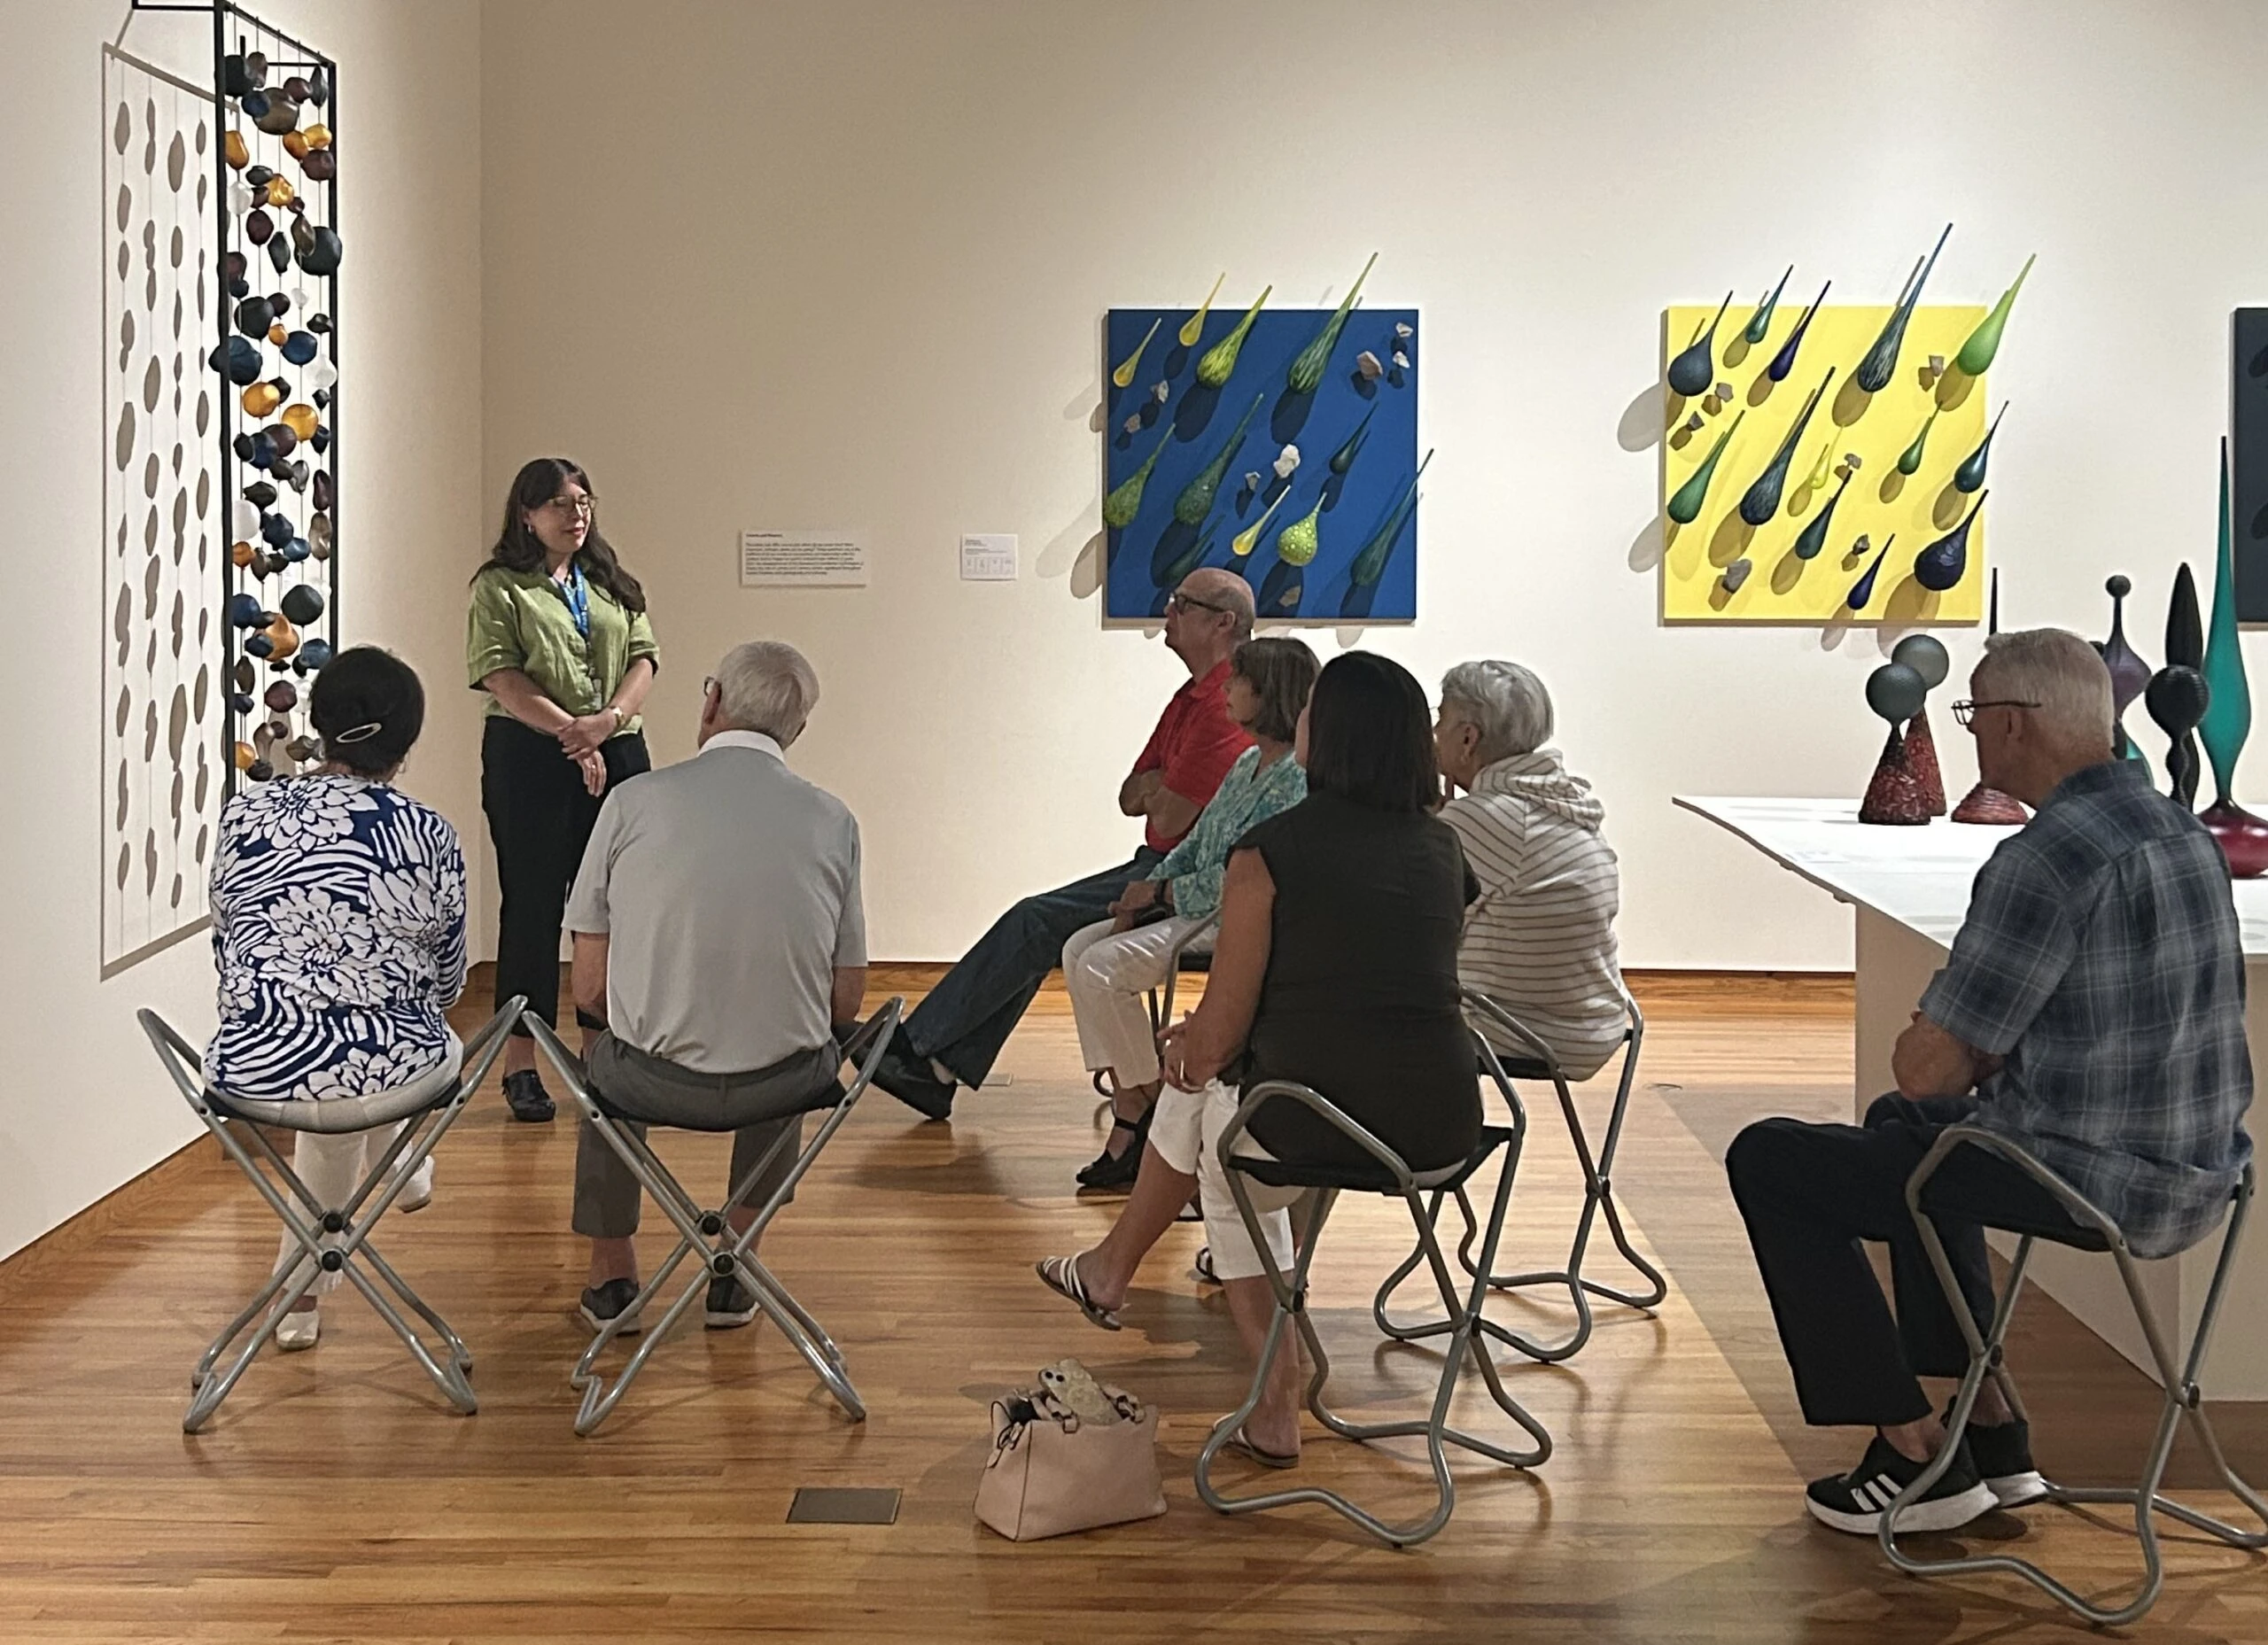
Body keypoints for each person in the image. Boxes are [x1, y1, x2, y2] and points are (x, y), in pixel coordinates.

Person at [1726, 628, 2253, 1536]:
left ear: (2012, 725)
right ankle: (1992, 1427)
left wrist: (1954, 1041)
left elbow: (1927, 1065)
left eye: (1972, 715)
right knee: (1908, 1131)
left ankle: (1912, 1450)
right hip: (2204, 1175)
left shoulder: (2046, 857)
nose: (1968, 734)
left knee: (1771, 1158)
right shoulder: (2181, 830)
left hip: (2090, 1179)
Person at [1038, 653, 1481, 1465]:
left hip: (1321, 1118)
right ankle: (1107, 1270)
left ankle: (1274, 1396)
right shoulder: (1444, 852)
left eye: (1314, 708)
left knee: (1218, 1139)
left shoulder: (1271, 853)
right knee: (1206, 1105)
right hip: (1444, 1121)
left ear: (1333, 733)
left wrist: (1184, 1048)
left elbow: (1219, 1037)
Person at [871, 567, 1257, 1119]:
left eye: (1182, 604)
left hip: (1177, 878)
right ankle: (934, 1065)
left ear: (1223, 621)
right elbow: (1130, 795)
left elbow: (1171, 816)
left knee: (1038, 921)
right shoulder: (1190, 699)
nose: (1166, 614)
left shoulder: (1225, 706)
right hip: (1157, 863)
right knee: (1042, 923)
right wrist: (1162, 787)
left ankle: (921, 1053)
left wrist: (1161, 789)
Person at [562, 640, 866, 1334]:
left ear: (712, 703)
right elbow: (844, 1001)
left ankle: (611, 1273)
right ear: (796, 730)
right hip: (779, 1086)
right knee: (795, 1039)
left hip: (648, 1080)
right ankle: (737, 1262)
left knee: (600, 1062)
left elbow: (588, 986)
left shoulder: (633, 802)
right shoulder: (833, 820)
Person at [204, 648, 468, 1351]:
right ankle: (315, 1270)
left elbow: (227, 938)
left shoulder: (244, 813)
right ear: (407, 742)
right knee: (365, 1055)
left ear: (317, 720)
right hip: (388, 1066)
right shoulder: (429, 833)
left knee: (336, 1051)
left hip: (252, 1064)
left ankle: (302, 1299)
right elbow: (447, 980)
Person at [1060, 636, 1319, 1190]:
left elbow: (1245, 878)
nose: (1226, 689)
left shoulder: (1294, 779)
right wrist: (1147, 887)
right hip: (1193, 904)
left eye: (1238, 681)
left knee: (1103, 968)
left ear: (1267, 692)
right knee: (1077, 948)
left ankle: (1140, 1112)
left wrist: (1161, 897)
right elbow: (1198, 845)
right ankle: (1139, 1096)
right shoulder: (1248, 760)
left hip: (1230, 922)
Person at [468, 456, 659, 1123]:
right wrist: (573, 736)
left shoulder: (610, 581)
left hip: (619, 746)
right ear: (526, 514)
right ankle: (522, 1064)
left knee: (615, 906)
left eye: (583, 500)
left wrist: (605, 724)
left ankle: (603, 1057)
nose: (575, 513)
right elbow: (501, 676)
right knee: (534, 903)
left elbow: (644, 657)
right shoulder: (499, 587)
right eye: (556, 503)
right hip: (530, 752)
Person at [1433, 660, 1627, 1075]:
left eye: (1440, 719)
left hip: (1529, 1029)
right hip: (1595, 1020)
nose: (1433, 735)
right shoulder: (1558, 800)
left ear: (1468, 738)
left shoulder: (1485, 819)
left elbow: (1422, 927)